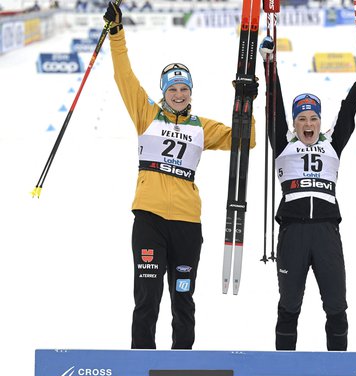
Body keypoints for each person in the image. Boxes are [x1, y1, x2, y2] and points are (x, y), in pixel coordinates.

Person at [103, 2, 257, 349]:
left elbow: (246, 139)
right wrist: (117, 33)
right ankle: (142, 364)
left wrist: (246, 102)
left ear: (190, 91)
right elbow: (123, 76)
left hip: (188, 223)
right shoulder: (147, 114)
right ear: (164, 92)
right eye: (172, 89)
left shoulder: (202, 127)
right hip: (150, 220)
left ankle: (180, 366)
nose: (178, 94)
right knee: (147, 297)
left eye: (184, 88)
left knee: (183, 300)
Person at [259, 36, 356, 351]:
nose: (308, 123)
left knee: (337, 307)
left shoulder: (332, 142)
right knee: (289, 305)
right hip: (292, 233)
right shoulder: (283, 143)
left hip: (326, 232)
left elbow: (349, 107)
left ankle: (337, 368)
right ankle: (284, 369)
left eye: (313, 117)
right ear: (295, 123)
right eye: (302, 118)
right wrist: (269, 64)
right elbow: (273, 105)